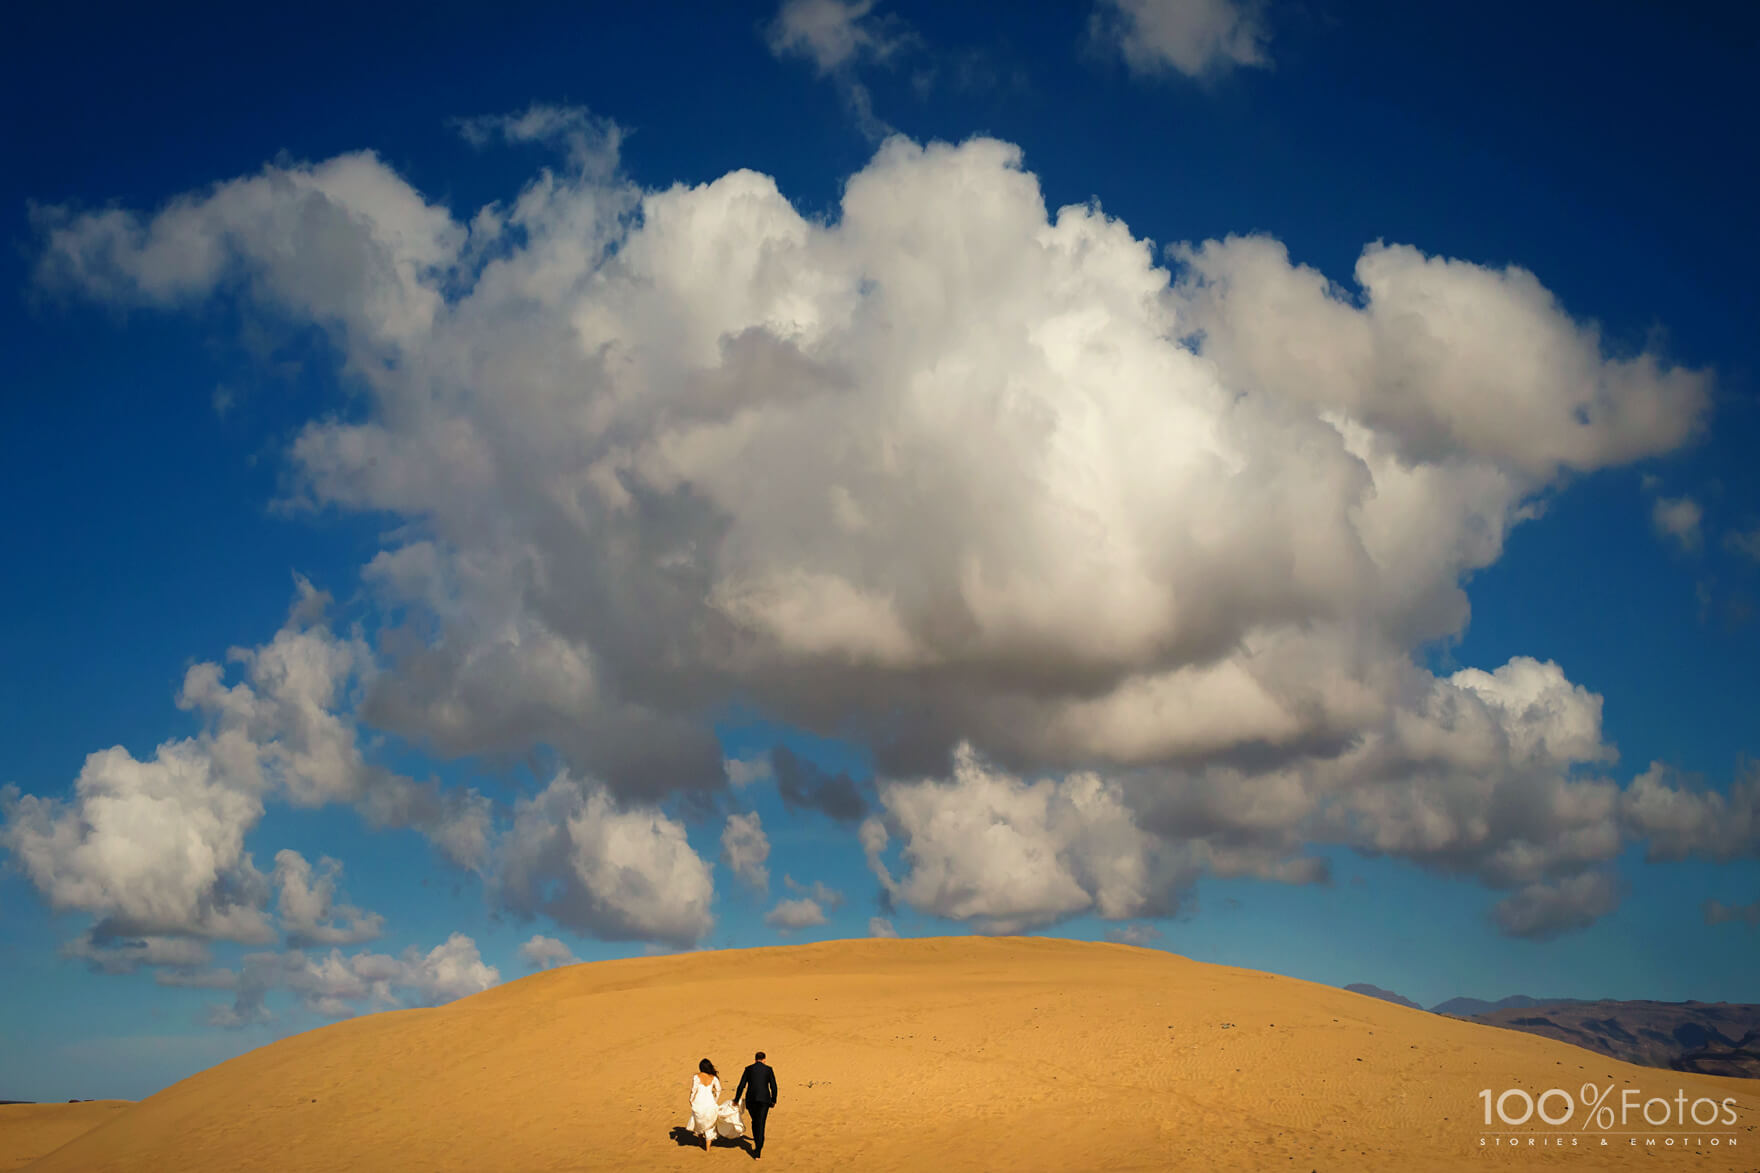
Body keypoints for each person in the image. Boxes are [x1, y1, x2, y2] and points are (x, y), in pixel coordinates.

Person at [734, 1051, 778, 1159]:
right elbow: (774, 1086)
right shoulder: (768, 1069)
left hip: (751, 1099)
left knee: (755, 1121)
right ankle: (758, 1149)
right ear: (764, 1059)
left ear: (755, 1059)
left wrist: (736, 1099)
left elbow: (741, 1085)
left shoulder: (748, 1069)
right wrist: (773, 1100)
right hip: (764, 1100)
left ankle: (757, 1142)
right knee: (761, 1123)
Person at [687, 1058, 722, 1153]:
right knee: (709, 1124)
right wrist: (715, 1099)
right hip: (710, 1102)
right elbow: (718, 1089)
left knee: (699, 1121)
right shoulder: (713, 1078)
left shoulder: (696, 1076)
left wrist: (691, 1099)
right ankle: (708, 1148)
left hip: (699, 1101)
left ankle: (700, 1140)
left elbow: (694, 1089)